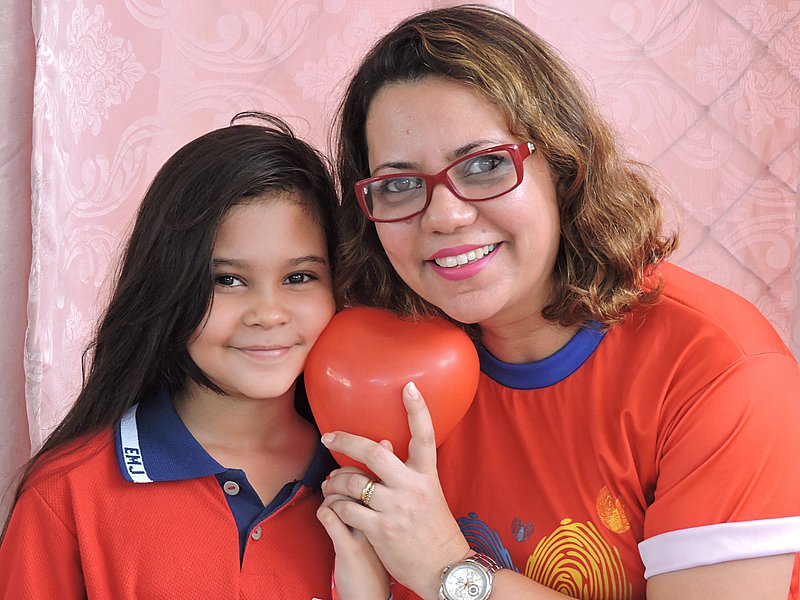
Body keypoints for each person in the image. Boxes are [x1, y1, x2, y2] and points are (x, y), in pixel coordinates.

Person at [316, 5, 800, 600]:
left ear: (565, 164)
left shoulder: (716, 368)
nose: (445, 215)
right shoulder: (363, 363)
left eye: (486, 165)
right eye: (398, 184)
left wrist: (449, 570)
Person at [0, 113, 345, 599]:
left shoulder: (374, 483)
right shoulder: (67, 493)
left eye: (299, 277)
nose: (269, 314)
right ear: (170, 285)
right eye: (227, 280)